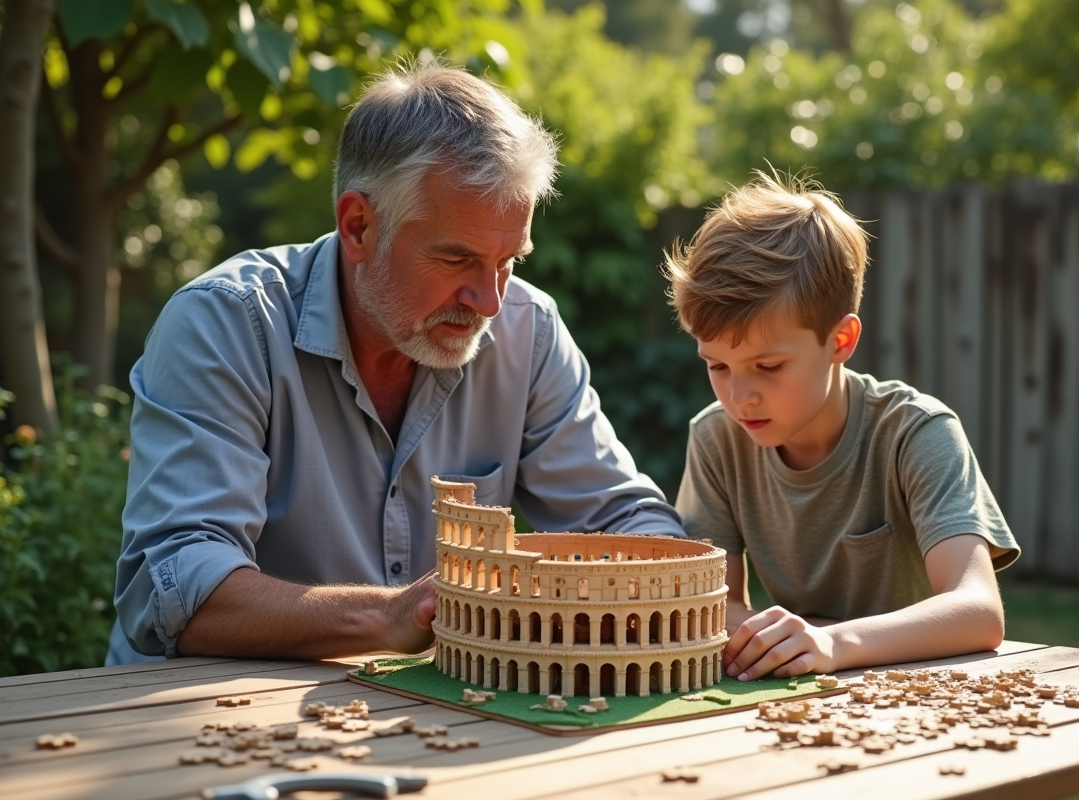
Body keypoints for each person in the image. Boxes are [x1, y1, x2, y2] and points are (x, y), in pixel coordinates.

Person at [107, 62, 685, 666]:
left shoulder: (528, 329)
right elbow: (173, 588)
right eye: (457, 259)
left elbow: (625, 518)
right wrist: (389, 615)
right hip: (193, 710)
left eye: (508, 261)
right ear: (358, 226)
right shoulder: (226, 322)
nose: (490, 301)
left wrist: (696, 597)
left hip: (419, 708)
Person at [664, 172, 1019, 681]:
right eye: (717, 365)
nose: (740, 396)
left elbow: (978, 611)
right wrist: (792, 640)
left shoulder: (917, 432)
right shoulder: (716, 439)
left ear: (841, 341)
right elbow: (712, 606)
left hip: (920, 693)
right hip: (798, 697)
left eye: (768, 366)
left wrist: (832, 641)